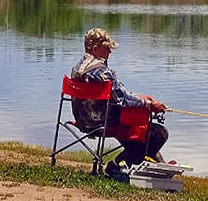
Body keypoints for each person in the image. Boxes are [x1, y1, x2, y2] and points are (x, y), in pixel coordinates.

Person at [70, 28, 168, 172]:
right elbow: (123, 100)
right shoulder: (102, 73)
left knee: (141, 132)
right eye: (107, 48)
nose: (110, 52)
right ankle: (117, 164)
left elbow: (118, 95)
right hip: (104, 122)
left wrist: (139, 97)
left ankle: (159, 164)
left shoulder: (77, 68)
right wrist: (150, 104)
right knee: (158, 133)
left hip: (83, 120)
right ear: (96, 49)